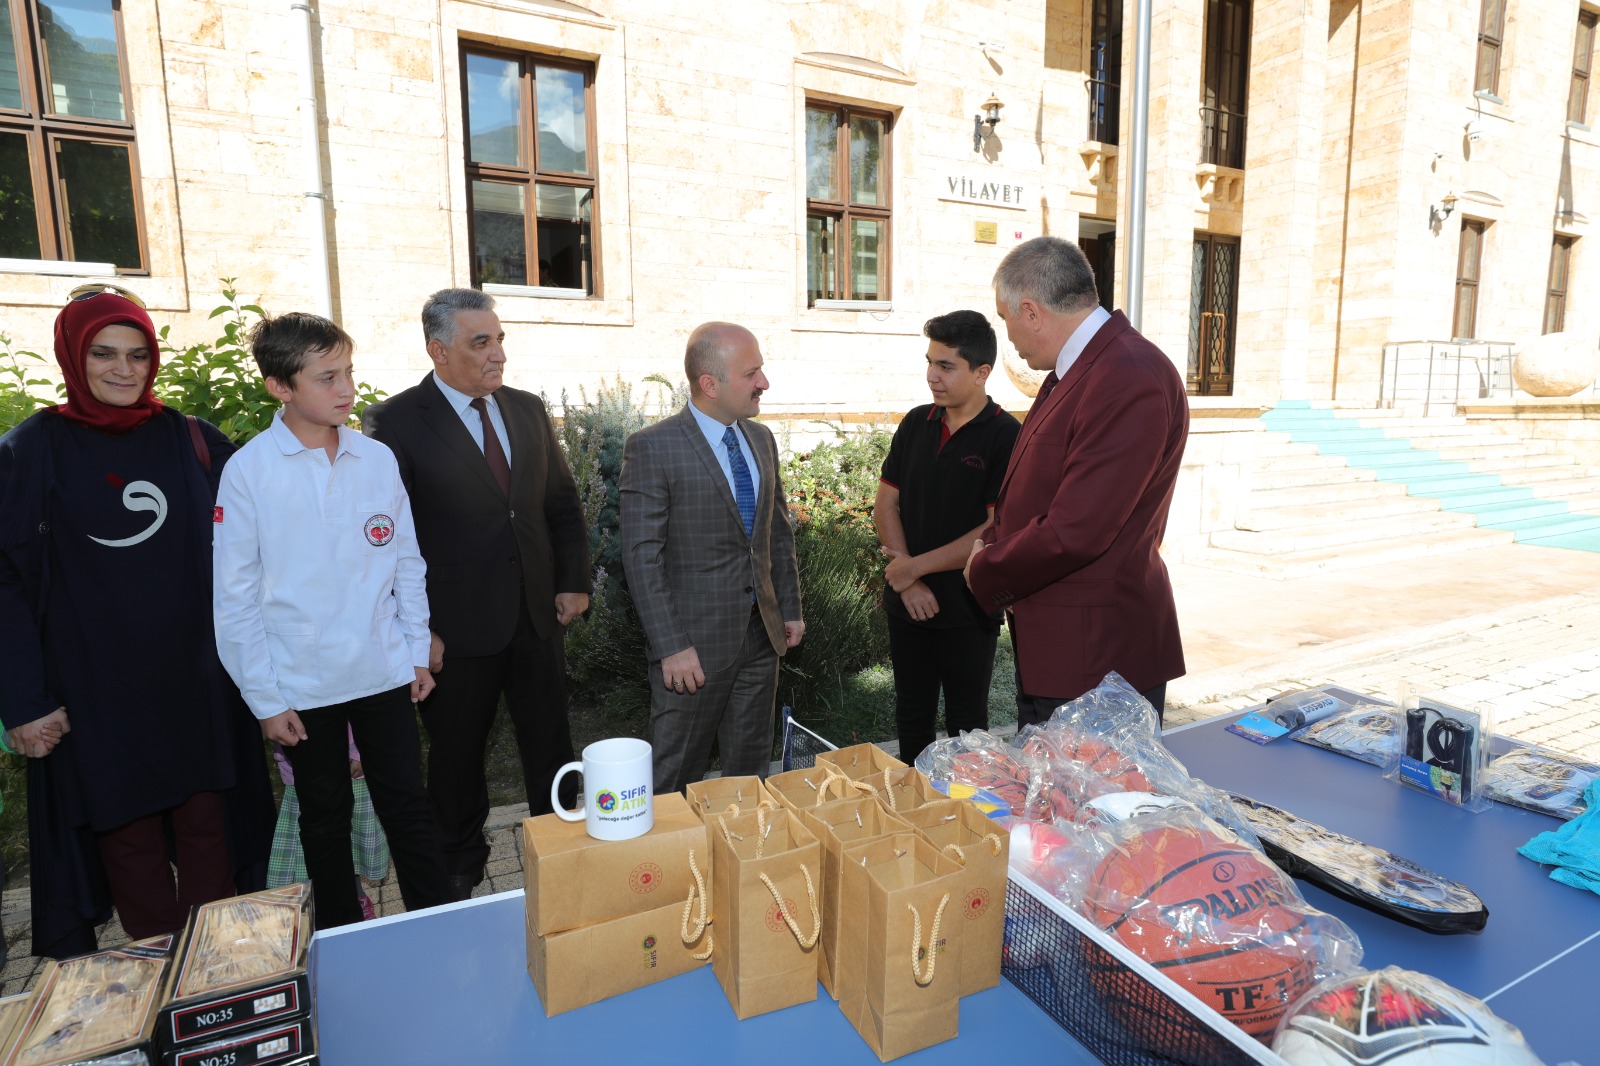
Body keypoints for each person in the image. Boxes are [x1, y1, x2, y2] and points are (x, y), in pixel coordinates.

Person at [0, 284, 273, 958]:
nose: (124, 369)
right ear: (73, 356)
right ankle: (155, 967)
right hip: (94, 687)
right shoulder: (30, 453)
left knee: (210, 823)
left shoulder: (194, 441)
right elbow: (5, 585)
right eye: (104, 354)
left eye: (138, 354)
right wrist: (25, 702)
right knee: (124, 832)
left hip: (196, 678)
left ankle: (212, 970)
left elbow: (266, 544)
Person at [212, 311, 448, 929]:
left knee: (408, 805)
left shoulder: (376, 459)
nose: (345, 389)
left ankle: (439, 923)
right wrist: (264, 697)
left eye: (348, 372)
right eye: (326, 377)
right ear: (280, 387)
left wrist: (416, 649)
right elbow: (233, 599)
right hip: (303, 683)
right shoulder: (248, 473)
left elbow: (406, 561)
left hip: (383, 670)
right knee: (323, 814)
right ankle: (344, 936)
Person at [365, 289, 589, 902]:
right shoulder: (395, 423)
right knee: (457, 755)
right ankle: (457, 865)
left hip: (536, 614)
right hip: (453, 627)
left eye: (499, 340)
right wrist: (416, 628)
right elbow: (386, 538)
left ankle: (562, 846)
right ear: (438, 350)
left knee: (549, 741)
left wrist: (572, 580)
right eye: (480, 343)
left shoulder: (527, 409)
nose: (498, 356)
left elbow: (560, 505)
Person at [964, 236, 1188, 725]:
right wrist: (992, 537)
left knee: (1092, 801)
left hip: (1100, 661)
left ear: (1031, 311)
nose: (1011, 339)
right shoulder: (1081, 370)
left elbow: (1079, 528)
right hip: (1068, 651)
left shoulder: (1127, 372)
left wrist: (985, 566)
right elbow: (1036, 491)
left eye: (1006, 322)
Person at [619, 321, 804, 793]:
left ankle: (740, 858)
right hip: (691, 652)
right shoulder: (653, 448)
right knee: (676, 776)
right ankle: (668, 865)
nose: (764, 382)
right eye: (753, 373)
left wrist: (790, 607)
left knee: (748, 774)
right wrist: (671, 646)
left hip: (762, 640)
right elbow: (642, 557)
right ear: (710, 384)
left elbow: (776, 535)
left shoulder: (761, 440)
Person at [875, 311, 1020, 762]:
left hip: (968, 607)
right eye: (930, 362)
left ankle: (964, 821)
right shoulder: (916, 423)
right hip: (907, 605)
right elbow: (886, 504)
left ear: (981, 373)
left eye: (946, 366)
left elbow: (993, 529)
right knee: (911, 718)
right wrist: (909, 582)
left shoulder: (1006, 436)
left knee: (967, 728)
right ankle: (911, 812)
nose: (932, 376)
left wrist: (911, 568)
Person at [267, 729, 389, 921]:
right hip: (304, 769)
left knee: (350, 841)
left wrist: (359, 752)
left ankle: (356, 895)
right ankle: (312, 904)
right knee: (312, 844)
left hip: (350, 765)